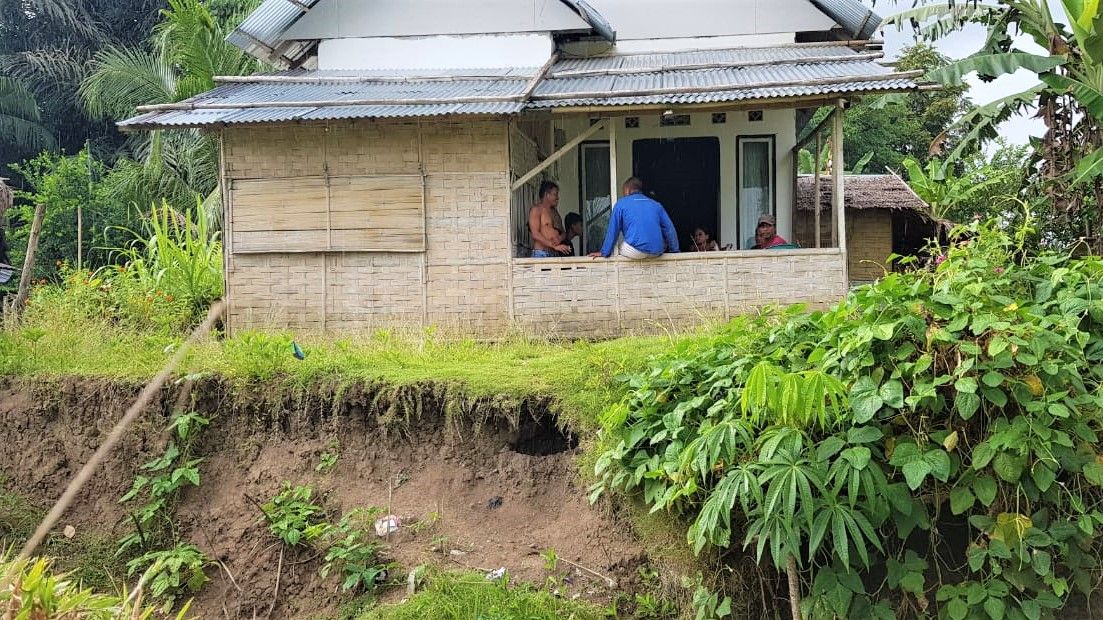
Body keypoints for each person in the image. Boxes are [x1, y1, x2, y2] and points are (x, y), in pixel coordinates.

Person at [589, 177, 679, 259]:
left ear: (627, 190)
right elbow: (669, 229)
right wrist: (675, 251)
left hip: (635, 252)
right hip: (657, 252)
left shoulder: (621, 204)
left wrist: (604, 252)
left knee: (619, 246)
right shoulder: (656, 205)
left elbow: (613, 230)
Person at [528, 181, 571, 257]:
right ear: (547, 195)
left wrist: (559, 238)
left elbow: (563, 233)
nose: (557, 198)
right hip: (541, 253)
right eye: (555, 194)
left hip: (554, 253)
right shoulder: (536, 210)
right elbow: (535, 234)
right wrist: (554, 245)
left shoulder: (555, 213)